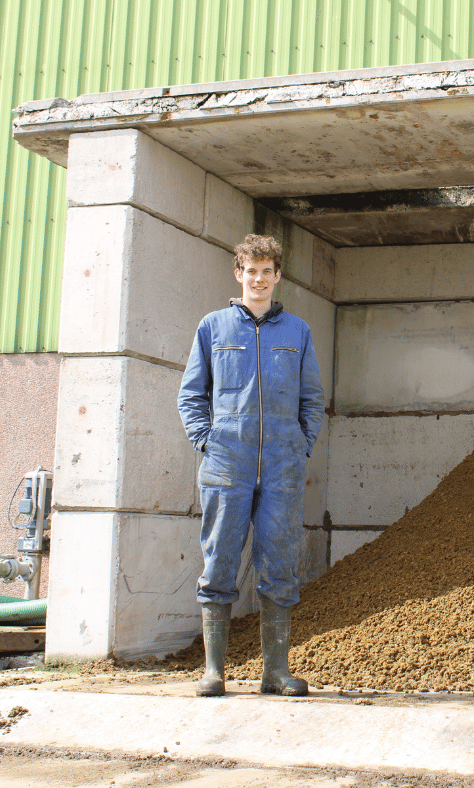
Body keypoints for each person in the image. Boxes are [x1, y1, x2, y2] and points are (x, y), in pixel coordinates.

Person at [178, 234, 325, 697]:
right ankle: (214, 672)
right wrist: (207, 439)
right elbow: (191, 394)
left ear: (278, 276)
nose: (259, 279)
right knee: (219, 562)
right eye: (251, 271)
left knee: (279, 566)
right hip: (227, 463)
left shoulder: (297, 332)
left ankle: (275, 672)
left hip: (282, 465)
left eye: (267, 272)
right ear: (238, 273)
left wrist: (300, 444)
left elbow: (313, 398)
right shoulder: (213, 327)